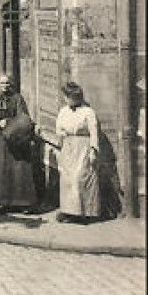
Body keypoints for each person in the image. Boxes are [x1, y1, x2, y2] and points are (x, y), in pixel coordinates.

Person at [0, 74, 37, 213]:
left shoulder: (17, 98)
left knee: (19, 170)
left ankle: (21, 202)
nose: (5, 86)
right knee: (1, 170)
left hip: (16, 139)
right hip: (1, 140)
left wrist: (11, 123)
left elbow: (23, 116)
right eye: (2, 84)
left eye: (7, 83)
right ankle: (1, 202)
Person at [55, 81, 101, 223]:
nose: (66, 100)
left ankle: (86, 213)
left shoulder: (88, 112)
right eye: (66, 97)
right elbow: (58, 129)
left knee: (81, 179)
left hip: (83, 147)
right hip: (68, 147)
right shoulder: (63, 111)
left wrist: (93, 150)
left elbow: (94, 132)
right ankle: (69, 212)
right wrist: (61, 138)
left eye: (69, 97)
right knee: (68, 181)